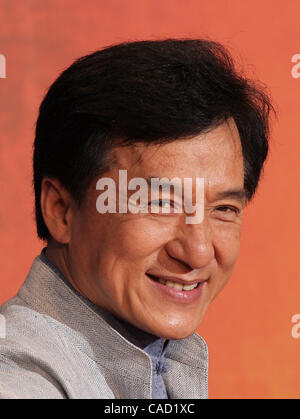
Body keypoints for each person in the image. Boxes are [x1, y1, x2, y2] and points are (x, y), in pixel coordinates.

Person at [0, 39, 273, 399]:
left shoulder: (161, 365)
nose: (199, 252)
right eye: (160, 203)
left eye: (224, 209)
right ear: (61, 211)